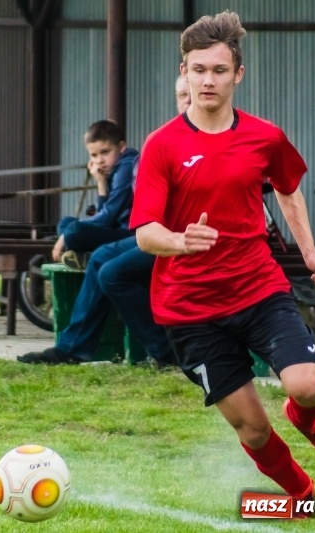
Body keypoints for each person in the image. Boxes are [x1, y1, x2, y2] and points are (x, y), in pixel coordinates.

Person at [131, 11, 315, 517]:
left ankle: (307, 418)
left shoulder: (264, 137)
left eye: (219, 70)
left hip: (256, 288)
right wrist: (180, 242)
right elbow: (145, 234)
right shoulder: (162, 145)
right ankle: (301, 494)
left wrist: (309, 251)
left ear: (238, 75)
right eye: (198, 69)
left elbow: (288, 188)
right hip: (189, 310)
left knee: (307, 385)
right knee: (251, 427)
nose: (208, 80)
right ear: (183, 72)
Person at [17, 77, 191, 366]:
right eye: (180, 94)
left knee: (111, 270)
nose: (185, 100)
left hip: (189, 237)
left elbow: (113, 213)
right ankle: (72, 348)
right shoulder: (165, 140)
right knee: (100, 258)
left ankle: (163, 352)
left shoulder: (213, 136)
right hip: (155, 232)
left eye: (190, 93)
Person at [51, 120, 137, 269]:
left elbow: (109, 216)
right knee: (65, 223)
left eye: (105, 152)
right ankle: (85, 257)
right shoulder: (113, 167)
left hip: (130, 235)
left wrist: (66, 236)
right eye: (94, 155)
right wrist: (101, 183)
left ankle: (88, 257)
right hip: (116, 227)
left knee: (73, 231)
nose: (100, 161)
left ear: (121, 147)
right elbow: (104, 214)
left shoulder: (127, 166)